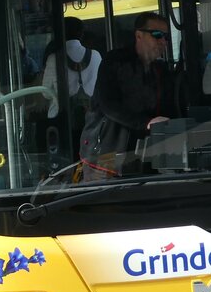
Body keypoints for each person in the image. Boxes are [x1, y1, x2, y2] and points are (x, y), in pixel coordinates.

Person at [79, 11, 179, 178]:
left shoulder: (161, 69)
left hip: (145, 154)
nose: (163, 41)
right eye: (157, 35)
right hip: (107, 153)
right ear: (138, 35)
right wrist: (146, 123)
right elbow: (107, 105)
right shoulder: (115, 62)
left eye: (166, 37)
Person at [41, 17, 101, 162]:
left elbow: (45, 92)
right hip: (91, 118)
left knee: (66, 160)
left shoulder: (53, 58)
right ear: (81, 33)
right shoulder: (96, 55)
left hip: (61, 119)